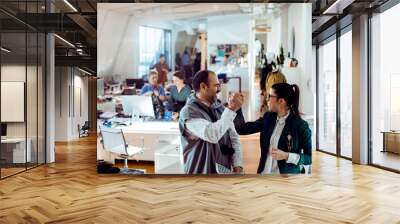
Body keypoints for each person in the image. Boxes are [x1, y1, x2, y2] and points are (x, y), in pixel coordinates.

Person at [235, 83, 312, 174]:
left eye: (270, 96)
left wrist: (286, 156)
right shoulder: (268, 118)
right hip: (264, 176)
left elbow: (309, 158)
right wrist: (237, 107)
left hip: (287, 180)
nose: (267, 99)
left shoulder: (300, 125)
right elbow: (241, 129)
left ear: (281, 101)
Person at [179, 70, 244, 174]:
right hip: (199, 175)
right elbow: (211, 134)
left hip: (223, 173)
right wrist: (231, 109)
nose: (219, 90)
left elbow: (233, 138)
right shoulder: (188, 112)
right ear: (203, 86)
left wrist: (238, 164)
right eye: (216, 86)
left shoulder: (220, 108)